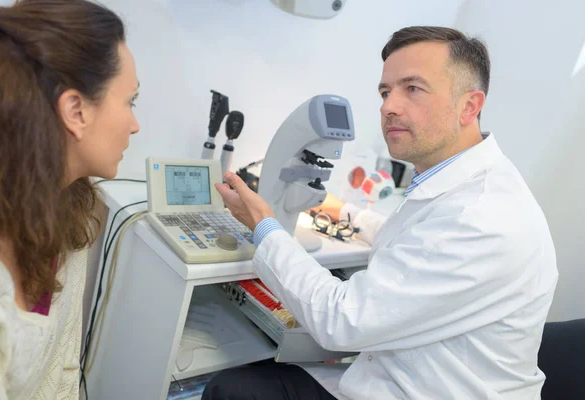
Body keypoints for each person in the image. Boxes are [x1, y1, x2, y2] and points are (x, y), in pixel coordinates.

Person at [204, 26, 558, 400]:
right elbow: (415, 238)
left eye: (413, 88)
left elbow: (341, 322)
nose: (388, 106)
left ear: (469, 106)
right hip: (403, 376)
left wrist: (264, 226)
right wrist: (344, 212)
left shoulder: (482, 217)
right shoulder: (467, 183)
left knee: (231, 389)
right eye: (386, 92)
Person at [0, 1, 139, 398]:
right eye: (129, 101)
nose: (135, 125)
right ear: (75, 110)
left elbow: (63, 365)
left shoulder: (72, 207)